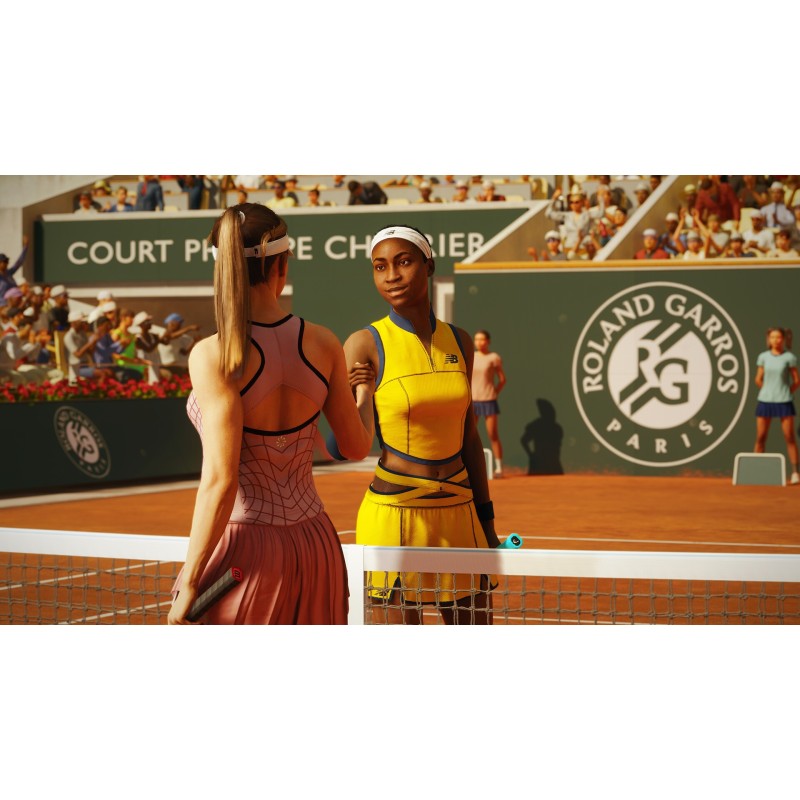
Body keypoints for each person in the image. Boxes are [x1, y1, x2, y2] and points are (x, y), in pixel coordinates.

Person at [168, 204, 374, 625]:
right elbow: (356, 447)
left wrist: (190, 579)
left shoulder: (212, 354)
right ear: (282, 265)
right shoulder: (323, 342)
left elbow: (221, 480)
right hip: (316, 545)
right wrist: (366, 393)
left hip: (244, 554)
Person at [341, 223, 500, 625]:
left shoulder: (461, 340)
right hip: (392, 518)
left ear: (429, 266)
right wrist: (362, 396)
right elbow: (344, 445)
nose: (391, 275)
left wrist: (487, 522)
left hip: (460, 515)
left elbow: (469, 437)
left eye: (403, 262)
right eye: (380, 266)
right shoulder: (363, 343)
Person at [754, 327, 800, 485]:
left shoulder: (789, 357)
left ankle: (795, 473)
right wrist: (767, 390)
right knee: (761, 437)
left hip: (784, 401)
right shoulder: (763, 357)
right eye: (772, 337)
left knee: (789, 436)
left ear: (783, 339)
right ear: (769, 339)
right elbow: (758, 379)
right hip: (765, 401)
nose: (775, 340)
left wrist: (785, 392)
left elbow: (796, 380)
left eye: (778, 337)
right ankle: (756, 471)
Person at [471, 329, 506, 478]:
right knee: (470, 436)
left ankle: (499, 469)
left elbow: (502, 379)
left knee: (492, 434)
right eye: (476, 339)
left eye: (482, 339)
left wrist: (494, 393)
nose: (479, 342)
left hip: (489, 400)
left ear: (488, 341)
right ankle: (470, 466)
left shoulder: (494, 357)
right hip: (473, 401)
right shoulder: (471, 355)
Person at [158, 313, 200, 377]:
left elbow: (184, 352)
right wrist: (189, 328)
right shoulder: (164, 333)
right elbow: (171, 336)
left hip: (174, 365)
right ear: (171, 323)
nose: (180, 325)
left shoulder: (178, 338)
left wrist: (194, 342)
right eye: (179, 323)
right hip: (164, 366)